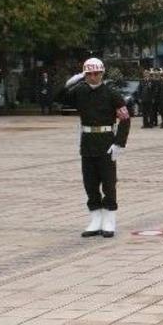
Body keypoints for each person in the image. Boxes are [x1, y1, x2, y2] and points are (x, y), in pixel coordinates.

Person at [56, 58, 131, 238]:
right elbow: (58, 98)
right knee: (90, 184)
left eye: (96, 73)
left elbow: (125, 118)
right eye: (89, 74)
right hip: (88, 143)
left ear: (102, 73)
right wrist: (70, 82)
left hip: (106, 143)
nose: (93, 77)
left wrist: (119, 143)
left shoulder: (112, 93)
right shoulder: (80, 92)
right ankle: (95, 219)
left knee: (108, 183)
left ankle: (109, 220)